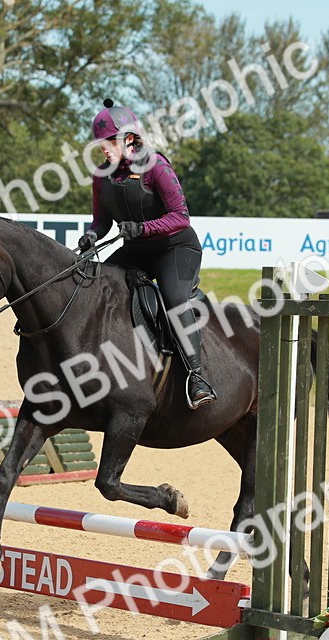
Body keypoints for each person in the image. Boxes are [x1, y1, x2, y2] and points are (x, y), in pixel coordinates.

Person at [76, 99, 216, 409]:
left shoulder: (155, 166)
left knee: (175, 300)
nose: (104, 149)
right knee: (95, 285)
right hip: (136, 251)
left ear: (129, 138)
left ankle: (196, 377)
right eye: (101, 143)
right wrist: (90, 236)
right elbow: (101, 222)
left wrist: (142, 229)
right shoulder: (102, 175)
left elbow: (181, 217)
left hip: (175, 248)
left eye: (110, 141)